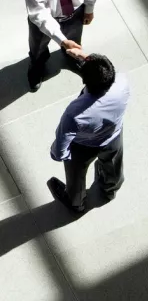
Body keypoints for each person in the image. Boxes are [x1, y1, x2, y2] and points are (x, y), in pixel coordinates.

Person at [47, 53, 129, 214]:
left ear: (84, 80)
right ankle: (110, 189)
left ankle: (76, 203)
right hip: (114, 135)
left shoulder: (75, 113)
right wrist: (84, 56)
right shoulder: (122, 82)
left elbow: (61, 148)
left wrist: (57, 154)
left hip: (83, 147)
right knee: (113, 165)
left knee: (76, 177)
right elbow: (107, 71)